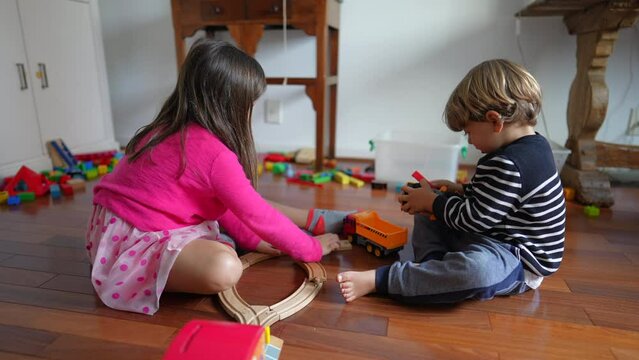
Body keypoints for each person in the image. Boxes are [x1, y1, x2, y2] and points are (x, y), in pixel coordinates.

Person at [86, 39, 342, 315]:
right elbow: (259, 215)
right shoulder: (213, 154)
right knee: (225, 267)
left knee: (225, 243)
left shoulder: (163, 129)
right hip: (137, 244)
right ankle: (146, 274)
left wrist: (253, 241)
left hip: (107, 235)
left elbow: (220, 203)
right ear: (232, 105)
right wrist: (312, 248)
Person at [337, 59, 566, 304]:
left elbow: (477, 217)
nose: (469, 141)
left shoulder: (507, 162)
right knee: (430, 210)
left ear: (495, 121)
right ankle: (431, 267)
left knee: (476, 270)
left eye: (468, 132)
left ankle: (385, 280)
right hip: (495, 233)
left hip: (518, 260)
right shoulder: (535, 145)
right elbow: (502, 198)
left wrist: (435, 203)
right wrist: (459, 190)